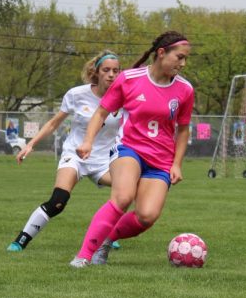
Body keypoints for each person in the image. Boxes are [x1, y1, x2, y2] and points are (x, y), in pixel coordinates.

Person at [69, 31, 194, 268]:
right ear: (161, 53)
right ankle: (83, 256)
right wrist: (87, 141)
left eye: (185, 58)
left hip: (161, 160)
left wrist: (176, 163)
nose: (183, 63)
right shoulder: (129, 78)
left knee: (147, 216)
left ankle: (106, 239)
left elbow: (184, 129)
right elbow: (101, 113)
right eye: (179, 57)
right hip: (129, 149)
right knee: (123, 197)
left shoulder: (185, 90)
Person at [6, 50, 123, 252]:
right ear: (97, 72)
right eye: (106, 70)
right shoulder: (77, 94)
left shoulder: (124, 99)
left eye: (115, 70)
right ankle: (20, 240)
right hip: (75, 155)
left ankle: (108, 234)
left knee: (128, 191)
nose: (111, 74)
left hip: (104, 161)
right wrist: (30, 144)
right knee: (58, 201)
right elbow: (53, 124)